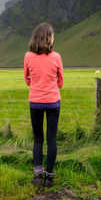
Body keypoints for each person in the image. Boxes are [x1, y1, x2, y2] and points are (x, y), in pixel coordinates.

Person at [24, 22, 64, 188]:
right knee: (51, 138)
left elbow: (27, 80)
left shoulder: (28, 56)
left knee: (38, 139)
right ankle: (49, 177)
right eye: (52, 35)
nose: (54, 37)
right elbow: (60, 82)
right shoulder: (56, 57)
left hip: (35, 103)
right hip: (53, 102)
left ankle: (37, 175)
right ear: (49, 38)